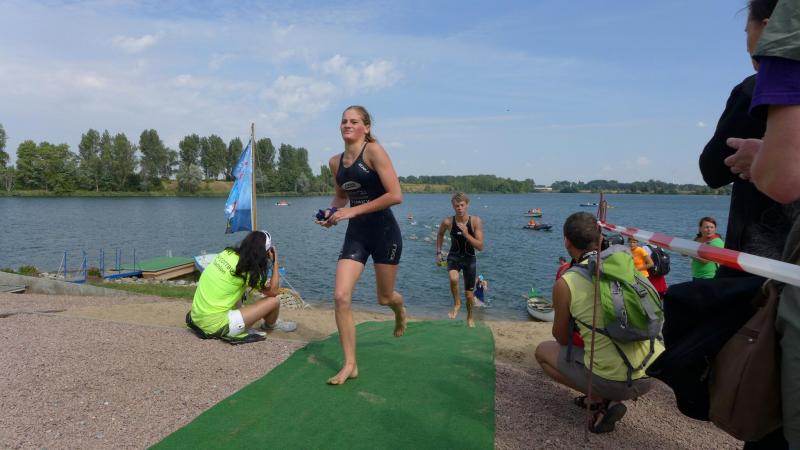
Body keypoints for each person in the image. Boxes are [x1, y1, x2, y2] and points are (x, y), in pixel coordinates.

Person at [726, 1, 800, 445]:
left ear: (767, 27)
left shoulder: (789, 26)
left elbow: (783, 178)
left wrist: (763, 157)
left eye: (748, 37)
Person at [534, 212, 662, 433]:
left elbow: (561, 338)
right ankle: (606, 396)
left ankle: (600, 398)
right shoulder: (628, 265)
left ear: (566, 241)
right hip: (652, 372)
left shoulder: (566, 282)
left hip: (614, 381)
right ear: (601, 238)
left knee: (542, 352)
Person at [316, 105, 406, 386]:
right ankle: (350, 364)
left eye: (354, 121)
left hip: (385, 233)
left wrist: (352, 211)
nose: (347, 125)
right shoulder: (335, 162)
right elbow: (341, 198)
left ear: (366, 127)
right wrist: (331, 213)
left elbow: (396, 195)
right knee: (341, 296)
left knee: (385, 298)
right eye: (344, 121)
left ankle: (399, 309)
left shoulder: (373, 151)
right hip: (356, 234)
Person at [187, 230, 297, 342]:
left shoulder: (226, 253)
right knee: (274, 301)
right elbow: (273, 292)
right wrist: (275, 262)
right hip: (216, 326)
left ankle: (241, 322)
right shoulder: (246, 271)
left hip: (197, 318)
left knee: (238, 288)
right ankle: (270, 325)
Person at [436, 192, 485, 327]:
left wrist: (467, 234)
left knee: (469, 295)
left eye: (462, 205)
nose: (460, 208)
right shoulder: (448, 222)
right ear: (453, 206)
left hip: (469, 259)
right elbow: (440, 234)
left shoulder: (475, 221)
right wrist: (438, 253)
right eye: (457, 206)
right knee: (453, 278)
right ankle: (457, 303)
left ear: (467, 205)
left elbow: (480, 246)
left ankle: (470, 317)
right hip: (454, 256)